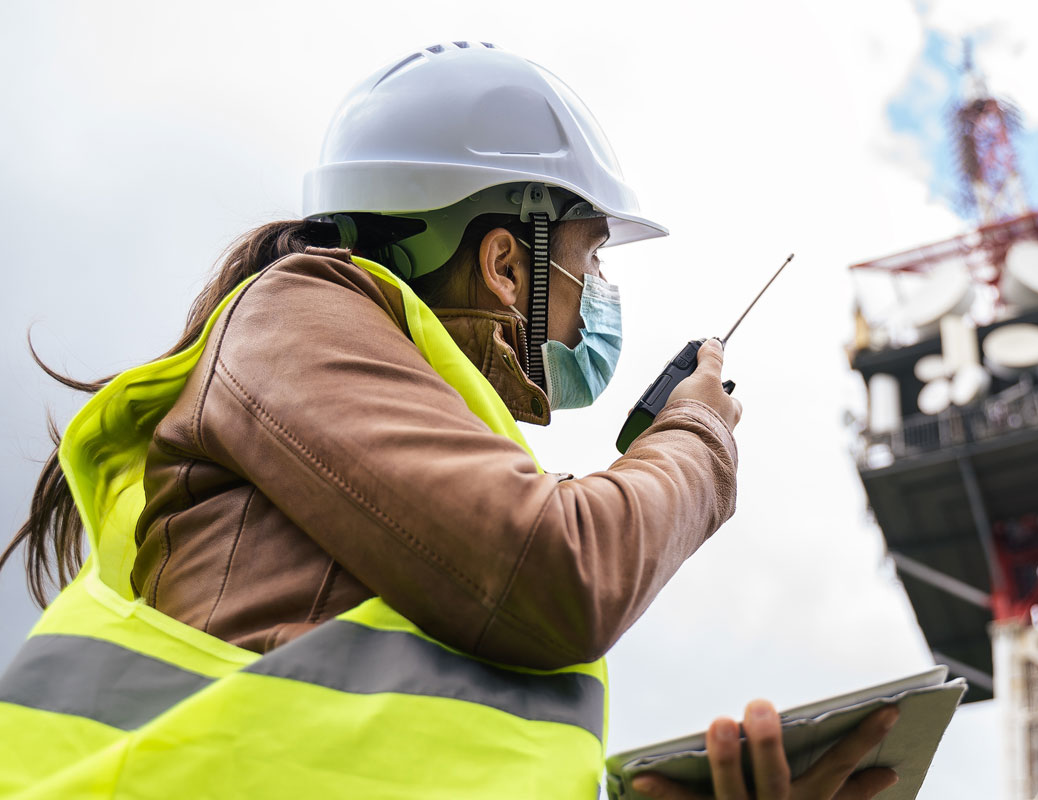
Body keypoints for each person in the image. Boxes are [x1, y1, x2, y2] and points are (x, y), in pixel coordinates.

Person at [0, 43, 896, 799]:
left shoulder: (423, 439)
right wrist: (695, 437)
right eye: (592, 264)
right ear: (508, 264)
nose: (597, 307)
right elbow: (561, 570)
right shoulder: (300, 312)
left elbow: (396, 753)